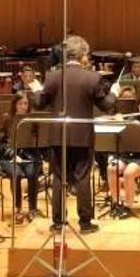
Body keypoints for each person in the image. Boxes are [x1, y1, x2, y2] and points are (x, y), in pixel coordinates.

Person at [34, 35, 115, 234]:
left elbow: (39, 104)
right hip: (82, 136)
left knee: (59, 177)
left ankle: (58, 223)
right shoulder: (93, 78)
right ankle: (85, 223)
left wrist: (37, 90)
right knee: (83, 178)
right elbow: (107, 105)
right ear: (83, 55)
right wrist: (114, 92)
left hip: (57, 135)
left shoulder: (52, 76)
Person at [106, 94, 140, 219]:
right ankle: (116, 203)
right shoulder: (133, 118)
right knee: (111, 168)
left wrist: (134, 125)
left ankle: (128, 206)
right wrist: (117, 120)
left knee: (129, 173)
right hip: (128, 155)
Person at [0, 93, 43, 224]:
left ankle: (32, 209)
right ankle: (18, 209)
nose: (23, 107)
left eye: (25, 104)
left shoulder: (32, 120)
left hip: (29, 156)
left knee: (32, 173)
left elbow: (38, 140)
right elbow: (1, 144)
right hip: (9, 158)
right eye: (20, 104)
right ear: (14, 105)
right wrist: (13, 155)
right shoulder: (7, 119)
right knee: (16, 174)